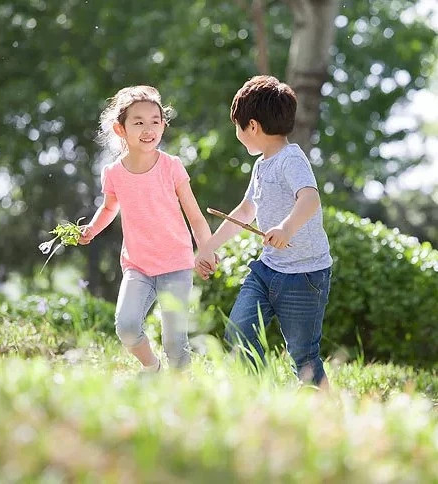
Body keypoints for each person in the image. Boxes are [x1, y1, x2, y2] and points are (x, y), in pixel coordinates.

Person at [196, 76, 332, 388]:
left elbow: (309, 197)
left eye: (238, 126)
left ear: (252, 126)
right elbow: (245, 210)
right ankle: (262, 395)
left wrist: (287, 226)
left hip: (306, 276)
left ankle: (329, 414)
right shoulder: (260, 166)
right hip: (267, 270)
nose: (238, 133)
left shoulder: (291, 159)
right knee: (238, 331)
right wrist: (209, 245)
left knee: (304, 355)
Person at [79, 85, 216, 372]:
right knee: (127, 327)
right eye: (138, 122)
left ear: (163, 126)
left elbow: (195, 217)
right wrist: (91, 229)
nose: (148, 128)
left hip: (176, 264)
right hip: (137, 265)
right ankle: (152, 368)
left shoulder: (171, 167)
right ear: (121, 129)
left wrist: (206, 248)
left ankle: (182, 391)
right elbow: (108, 208)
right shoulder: (113, 173)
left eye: (155, 121)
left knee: (174, 342)